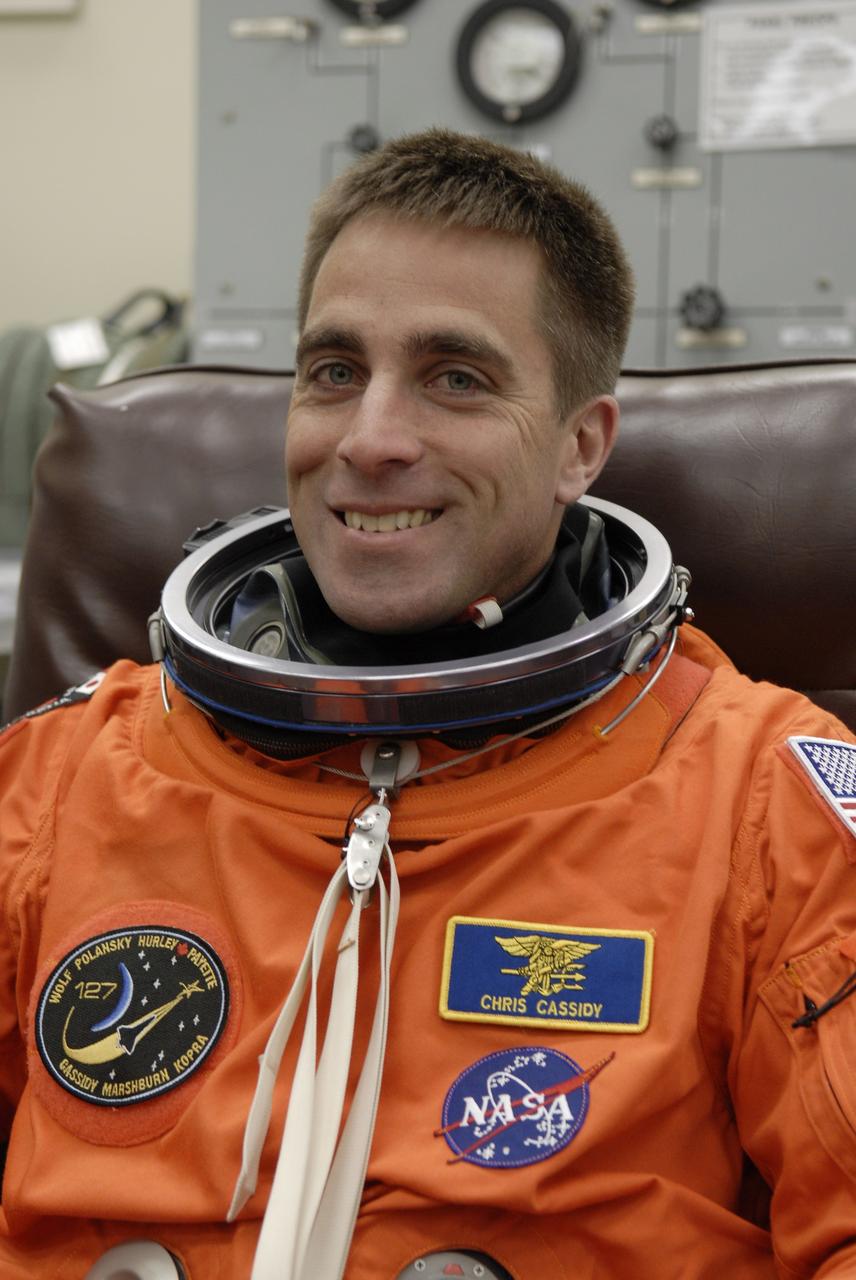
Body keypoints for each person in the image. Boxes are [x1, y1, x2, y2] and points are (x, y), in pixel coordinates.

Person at [1, 128, 855, 1280]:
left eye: (456, 377)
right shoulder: (63, 781)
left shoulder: (766, 805)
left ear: (578, 446)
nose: (370, 439)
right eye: (334, 371)